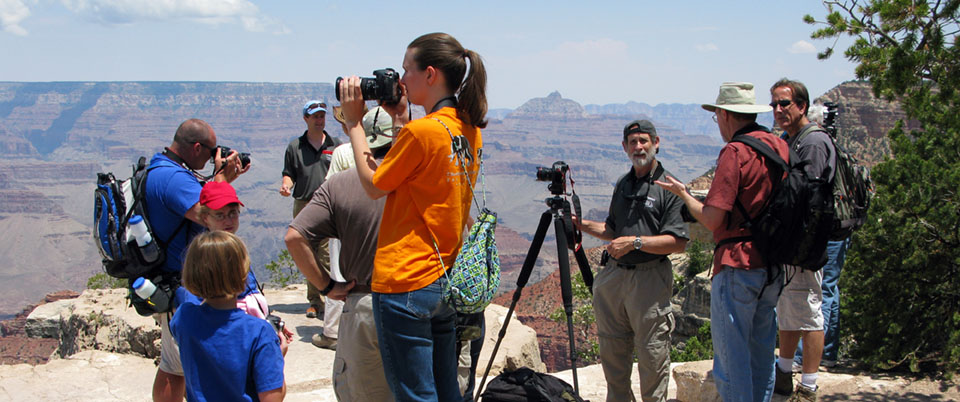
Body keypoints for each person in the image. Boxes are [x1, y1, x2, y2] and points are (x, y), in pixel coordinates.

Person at [338, 32, 487, 401]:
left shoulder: (422, 133)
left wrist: (355, 124)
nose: (401, 80)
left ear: (431, 74)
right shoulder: (468, 130)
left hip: (404, 281)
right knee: (446, 389)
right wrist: (403, 117)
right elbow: (422, 171)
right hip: (442, 279)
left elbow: (375, 184)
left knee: (415, 395)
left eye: (407, 69)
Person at [656, 82, 787, 402]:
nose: (717, 123)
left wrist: (684, 195)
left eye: (716, 116)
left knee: (731, 362)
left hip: (738, 264)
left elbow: (714, 218)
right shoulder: (778, 146)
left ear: (727, 114)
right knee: (761, 354)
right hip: (772, 263)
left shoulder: (735, 151)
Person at [285, 105, 396, 401]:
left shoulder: (341, 183)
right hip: (416, 302)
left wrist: (325, 286)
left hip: (362, 304)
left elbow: (295, 237)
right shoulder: (416, 178)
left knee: (359, 392)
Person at [575, 120, 689, 402]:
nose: (638, 147)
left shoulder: (669, 186)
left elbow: (678, 242)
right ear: (624, 147)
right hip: (614, 277)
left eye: (644, 141)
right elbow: (612, 231)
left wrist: (636, 243)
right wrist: (580, 224)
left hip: (649, 279)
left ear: (656, 143)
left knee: (652, 356)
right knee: (613, 356)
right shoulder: (623, 183)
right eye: (633, 142)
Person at [144, 118, 246, 401]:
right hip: (187, 287)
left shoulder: (161, 168)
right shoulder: (174, 179)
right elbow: (212, 215)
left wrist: (221, 179)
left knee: (173, 365)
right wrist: (222, 178)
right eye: (212, 150)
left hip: (176, 282)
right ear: (197, 147)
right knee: (188, 366)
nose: (215, 155)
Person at [769, 79, 836, 400]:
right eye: (774, 105)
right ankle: (783, 372)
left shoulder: (813, 143)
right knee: (789, 308)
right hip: (790, 241)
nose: (778, 110)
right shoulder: (791, 139)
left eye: (785, 104)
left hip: (807, 242)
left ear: (802, 106)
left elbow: (809, 194)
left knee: (809, 312)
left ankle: (808, 387)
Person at [171, 231, 288, 402]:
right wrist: (277, 355)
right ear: (242, 276)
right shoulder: (259, 332)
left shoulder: (183, 317)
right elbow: (272, 398)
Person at [800, 102, 851, 371]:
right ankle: (828, 351)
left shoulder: (817, 146)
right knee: (830, 289)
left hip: (829, 230)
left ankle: (809, 357)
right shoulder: (834, 146)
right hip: (840, 227)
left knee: (819, 292)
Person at [280, 100, 341, 319]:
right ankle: (315, 302)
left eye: (322, 115)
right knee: (307, 250)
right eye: (315, 116)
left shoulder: (336, 145)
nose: (319, 120)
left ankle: (332, 298)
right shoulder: (295, 147)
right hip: (304, 203)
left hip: (329, 205)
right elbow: (289, 173)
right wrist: (286, 185)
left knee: (327, 252)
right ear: (306, 118)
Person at [198, 181, 270, 318]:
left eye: (233, 213)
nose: (228, 221)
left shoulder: (232, 246)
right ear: (205, 218)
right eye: (220, 215)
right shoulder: (206, 254)